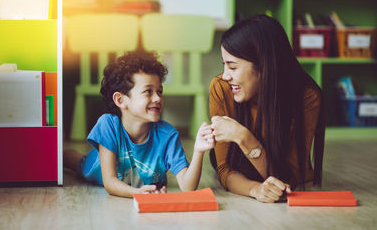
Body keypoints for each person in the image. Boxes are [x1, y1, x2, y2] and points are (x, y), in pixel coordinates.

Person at [64, 51, 214, 198]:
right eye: (148, 91)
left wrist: (199, 151)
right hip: (95, 167)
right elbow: (110, 182)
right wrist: (137, 193)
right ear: (121, 100)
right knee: (76, 162)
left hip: (139, 184)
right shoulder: (108, 125)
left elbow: (187, 187)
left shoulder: (168, 135)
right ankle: (60, 153)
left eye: (160, 91)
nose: (157, 98)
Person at [209, 14, 325, 203]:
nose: (225, 76)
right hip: (243, 175)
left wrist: (244, 137)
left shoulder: (306, 97)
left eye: (232, 67)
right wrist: (255, 189)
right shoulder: (221, 89)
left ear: (263, 66)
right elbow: (224, 169)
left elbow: (287, 181)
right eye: (224, 65)